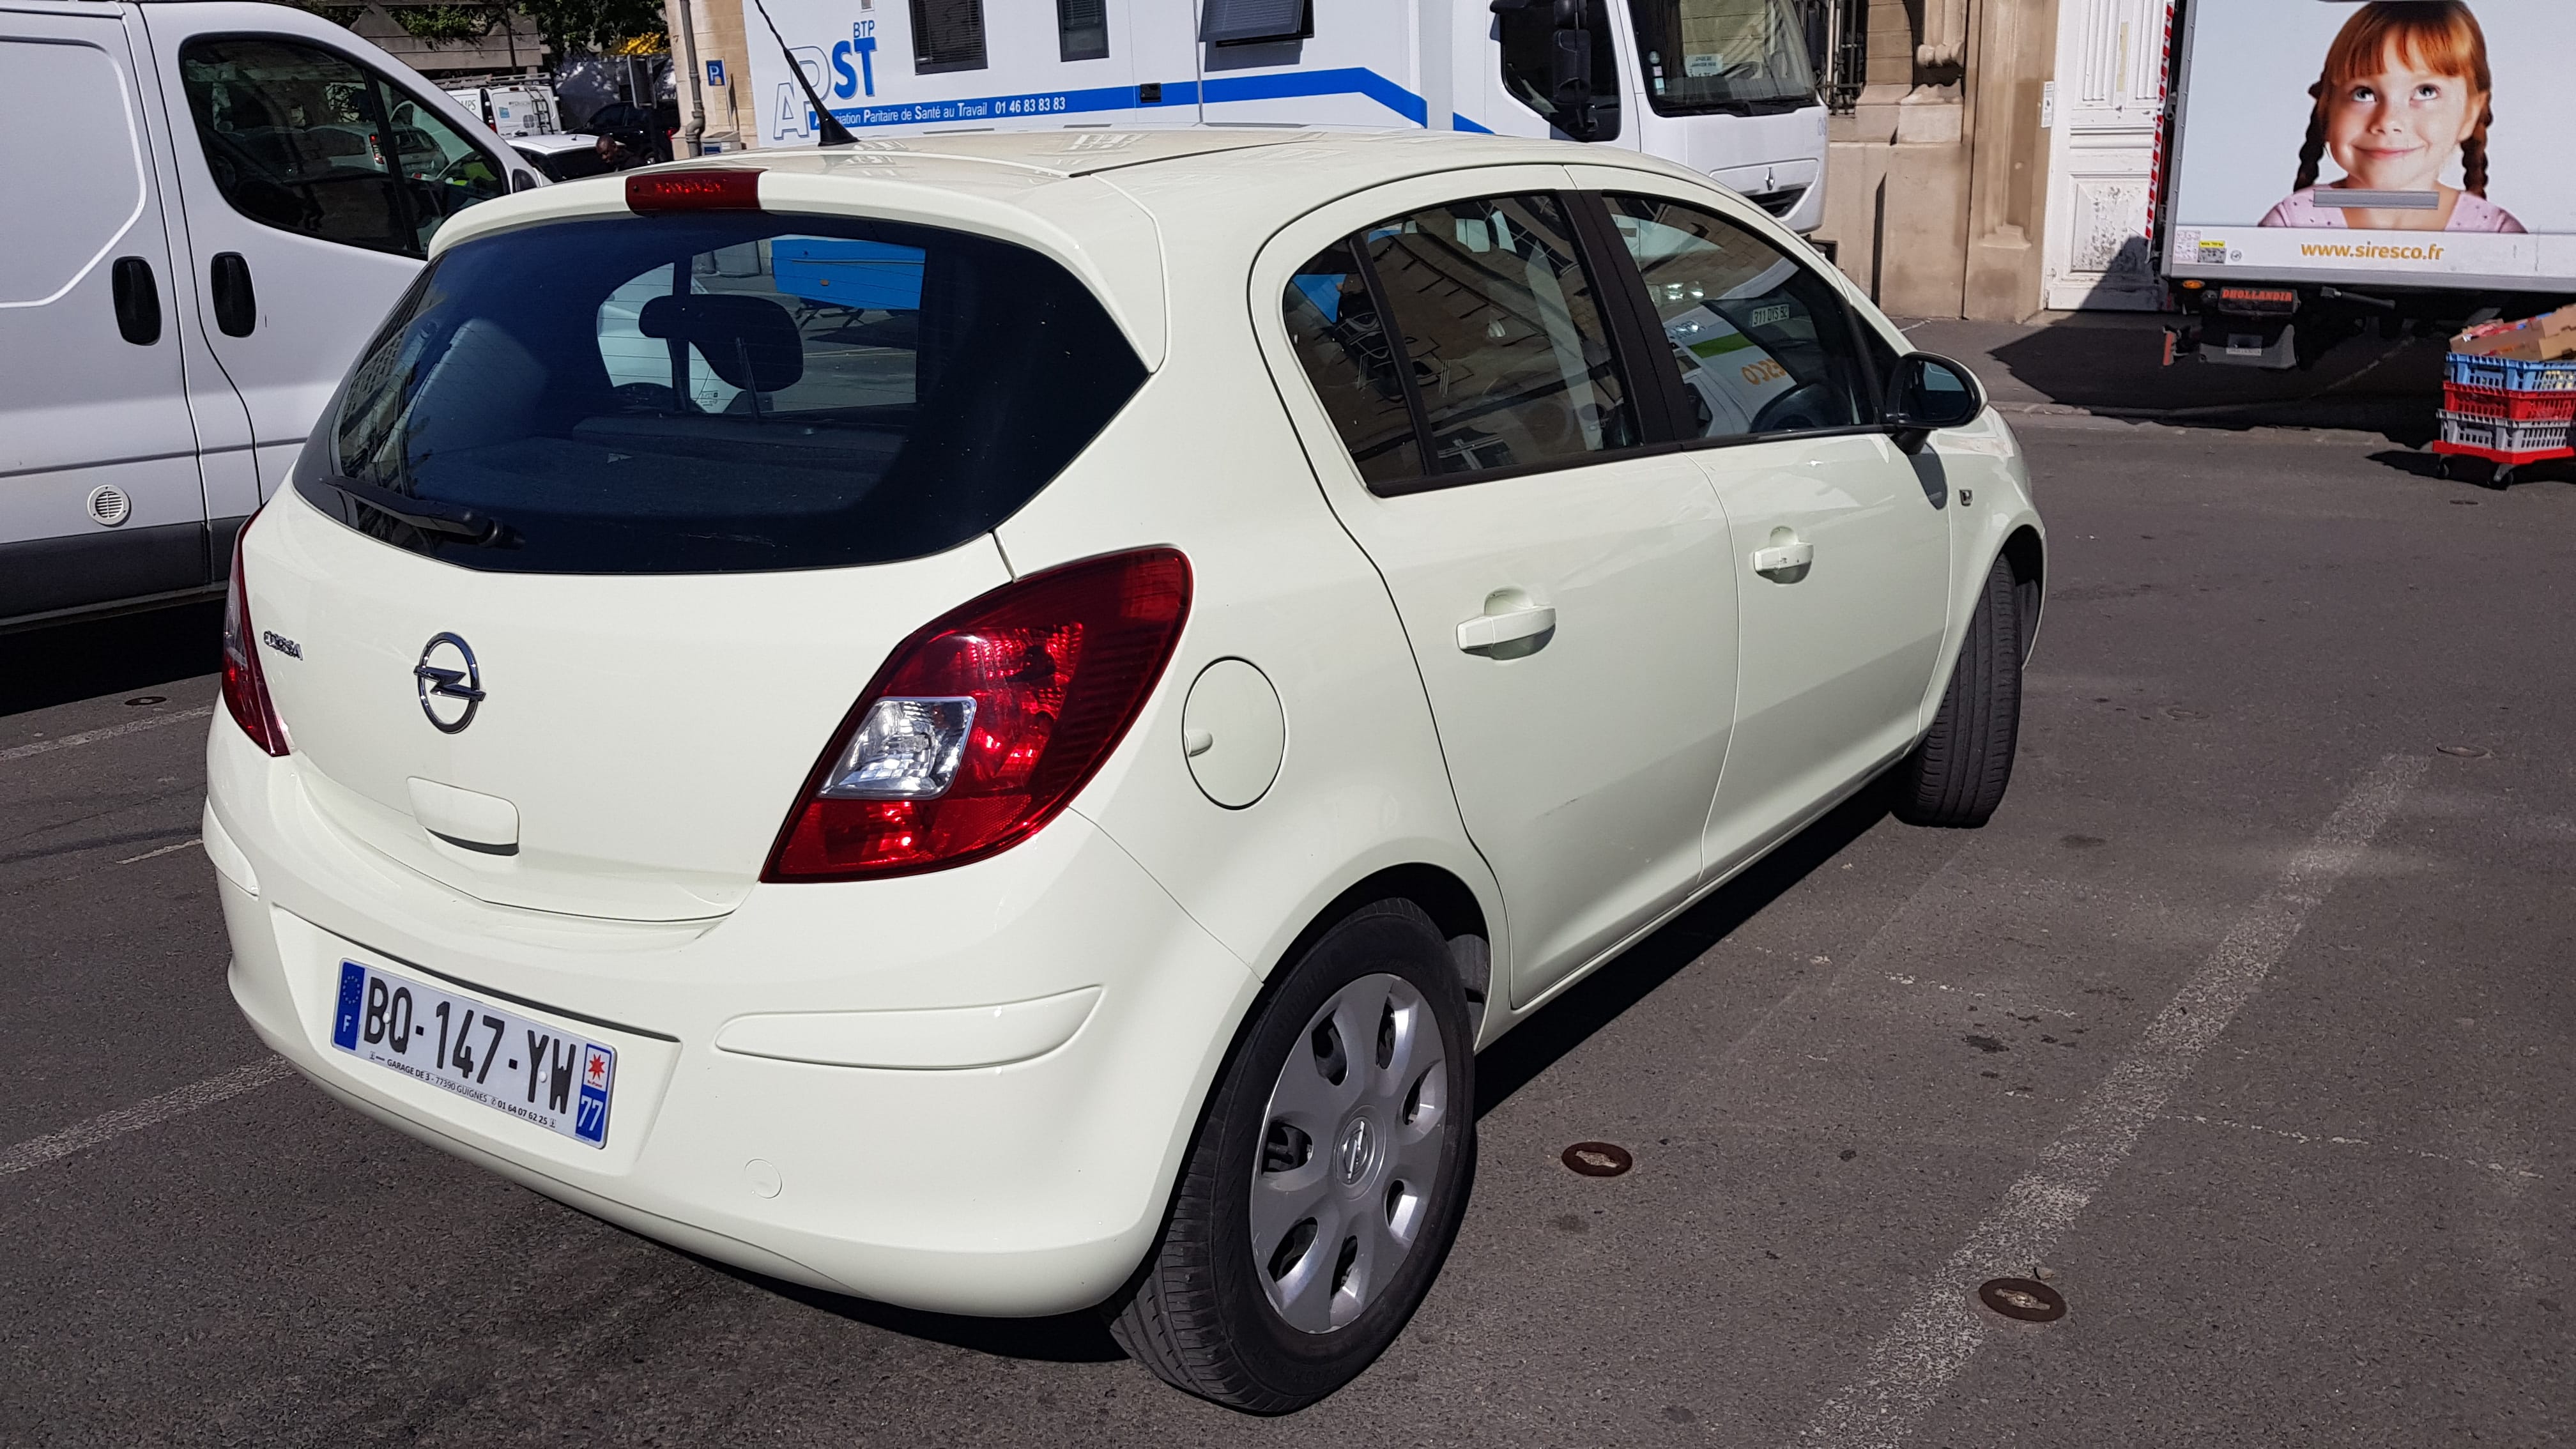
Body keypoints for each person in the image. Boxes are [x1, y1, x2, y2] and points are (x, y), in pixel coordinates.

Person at [2260, 0, 2524, 233]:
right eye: (2364, 94)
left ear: (2470, 113)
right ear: (2327, 109)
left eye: (2425, 91)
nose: (2388, 122)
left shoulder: (2496, 234)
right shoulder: (2291, 223)